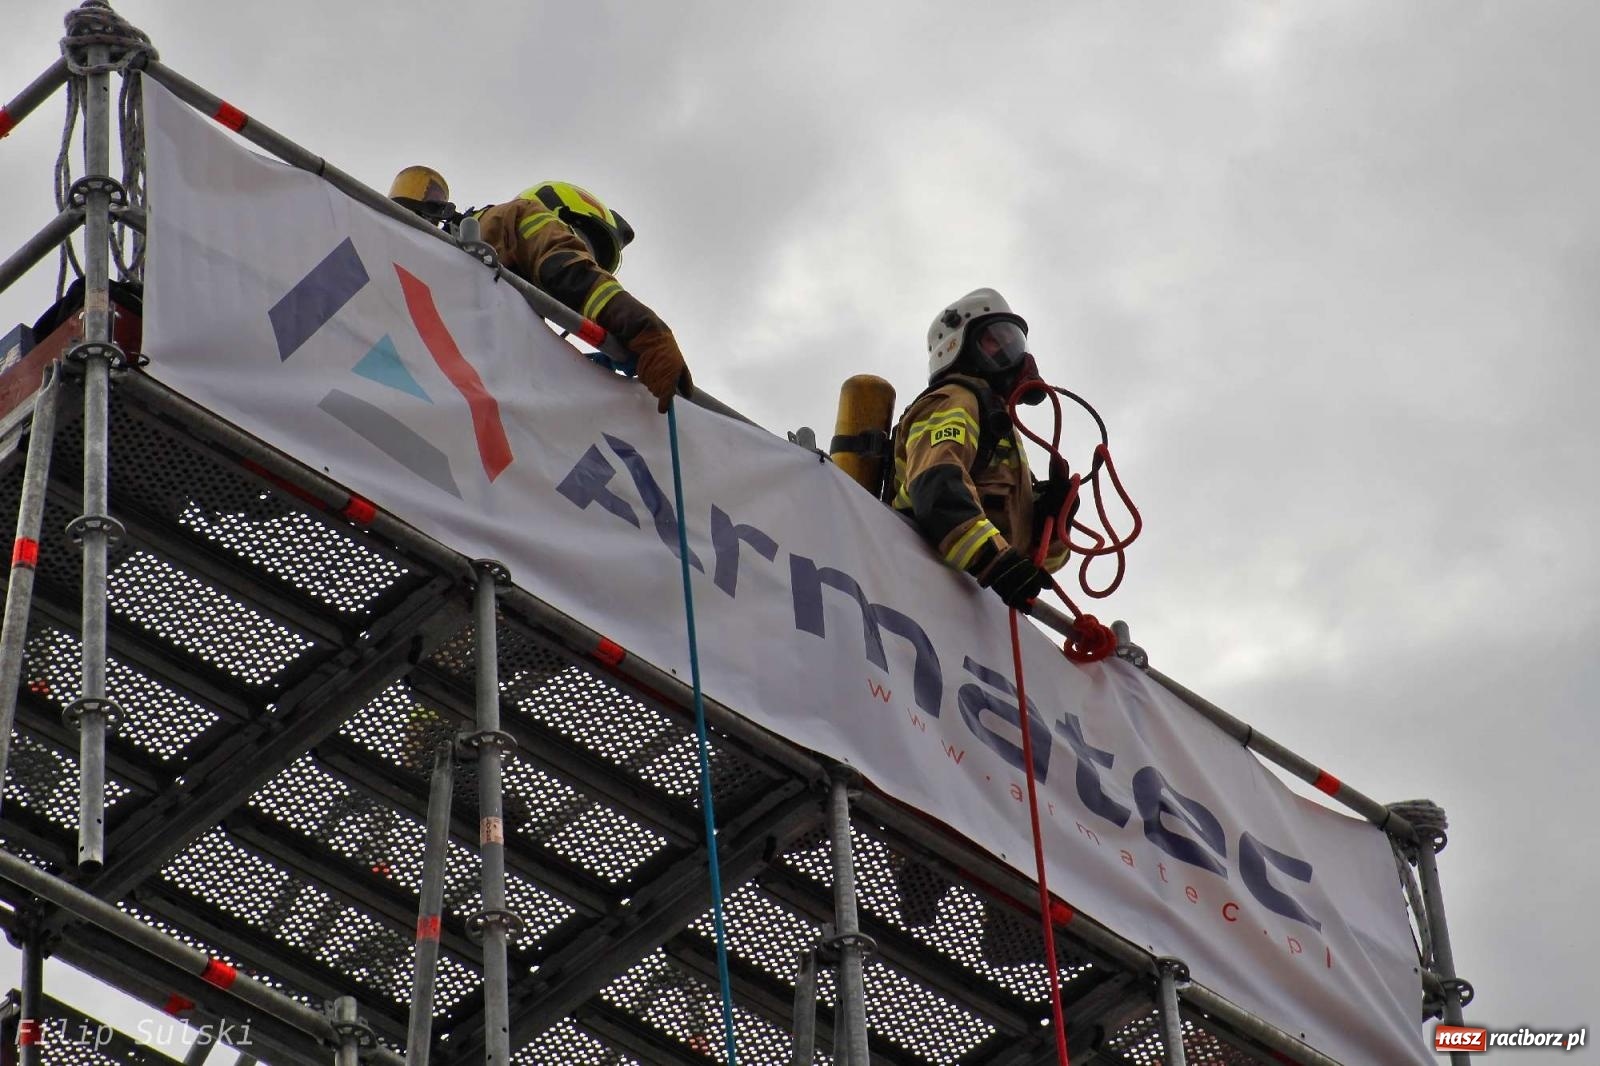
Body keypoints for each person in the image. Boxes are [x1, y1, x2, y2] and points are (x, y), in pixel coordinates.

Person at [388, 167, 691, 414]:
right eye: (581, 242)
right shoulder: (515, 217)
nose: (582, 256)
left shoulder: (509, 304)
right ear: (555, 216)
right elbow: (565, 267)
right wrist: (644, 330)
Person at [889, 287, 1074, 608]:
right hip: (929, 588)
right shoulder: (955, 400)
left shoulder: (1001, 431)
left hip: (976, 608)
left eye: (1013, 342)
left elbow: (1032, 567)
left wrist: (1053, 524)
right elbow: (936, 490)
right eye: (995, 339)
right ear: (957, 346)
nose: (1009, 351)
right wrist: (994, 563)